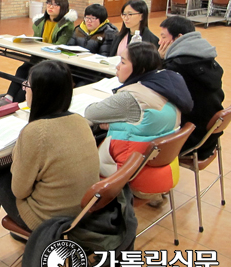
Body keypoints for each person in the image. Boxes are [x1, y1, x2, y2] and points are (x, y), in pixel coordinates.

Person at [0, 60, 99, 267]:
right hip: (83, 214)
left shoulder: (35, 132)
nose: (23, 89)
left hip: (48, 221)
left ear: (40, 93)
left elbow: (19, 191)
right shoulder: (80, 121)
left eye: (27, 86)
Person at [85, 42, 193, 204]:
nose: (117, 66)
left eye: (123, 62)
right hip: (159, 168)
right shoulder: (169, 82)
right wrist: (117, 123)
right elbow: (146, 122)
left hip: (127, 175)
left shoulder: (132, 97)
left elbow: (90, 113)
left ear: (139, 69)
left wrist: (112, 121)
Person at [0, 0, 77, 108]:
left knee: (30, 77)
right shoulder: (41, 21)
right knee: (22, 69)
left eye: (55, 5)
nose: (50, 7)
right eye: (49, 3)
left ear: (63, 7)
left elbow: (58, 46)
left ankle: (15, 104)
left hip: (52, 61)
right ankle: (8, 98)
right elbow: (37, 40)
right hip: (38, 56)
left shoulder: (67, 25)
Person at [159, 16, 224, 159]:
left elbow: (155, 91)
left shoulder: (177, 65)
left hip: (189, 139)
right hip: (207, 138)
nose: (159, 42)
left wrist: (160, 61)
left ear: (179, 38)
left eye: (163, 37)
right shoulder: (206, 57)